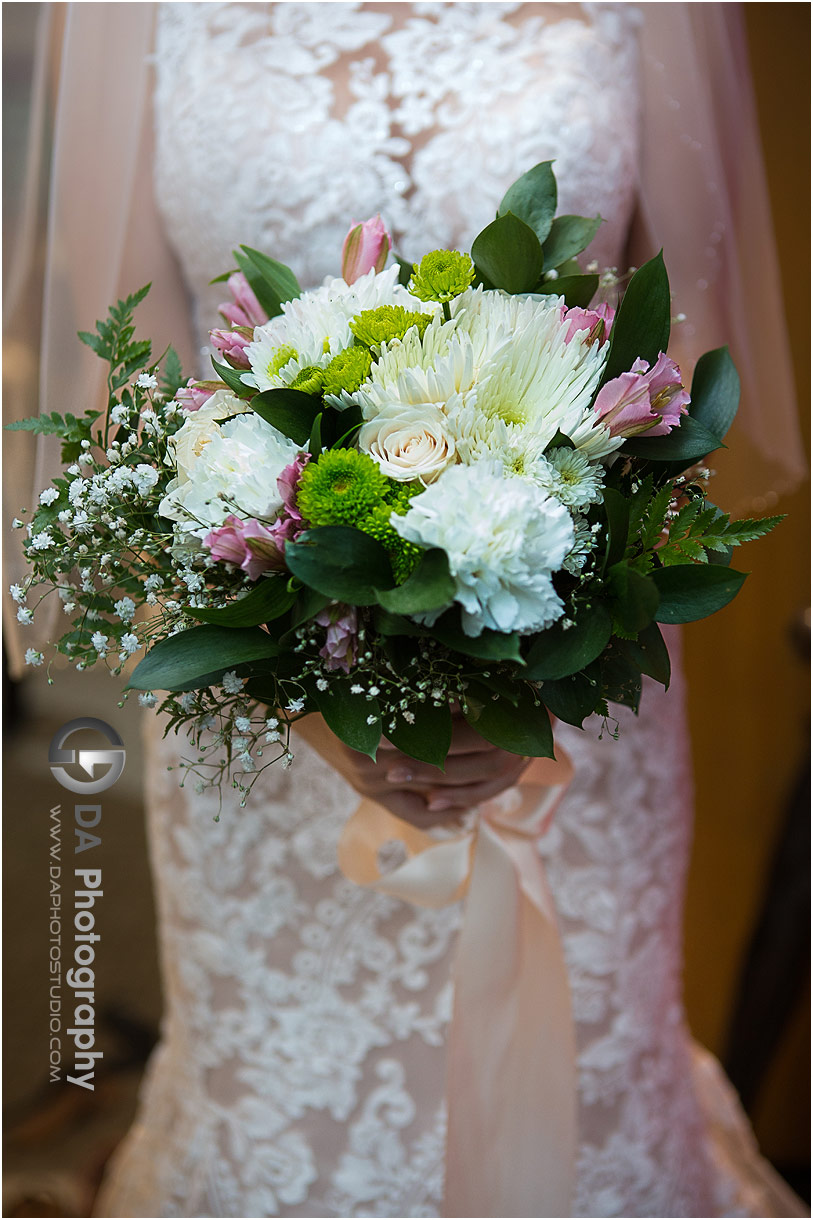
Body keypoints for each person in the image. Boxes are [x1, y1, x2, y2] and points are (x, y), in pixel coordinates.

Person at [6, 4, 806, 1216]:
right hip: (259, 706)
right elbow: (136, 373)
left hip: (570, 670)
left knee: (576, 1080)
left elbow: (686, 331)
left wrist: (526, 667)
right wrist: (301, 688)